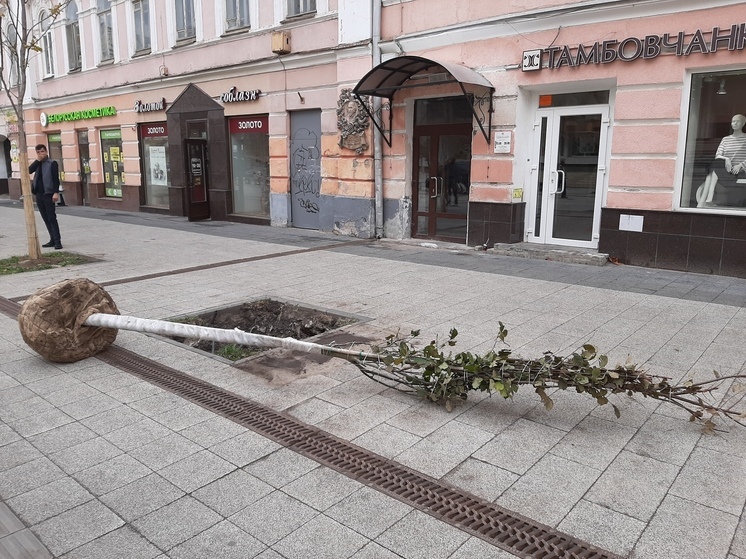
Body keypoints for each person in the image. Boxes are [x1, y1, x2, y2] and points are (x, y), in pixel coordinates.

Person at [697, 113, 746, 207]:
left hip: (740, 171)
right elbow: (718, 155)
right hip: (726, 171)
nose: (734, 123)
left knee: (712, 170)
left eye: (737, 121)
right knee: (716, 163)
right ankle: (708, 199)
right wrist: (726, 159)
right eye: (733, 121)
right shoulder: (725, 139)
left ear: (743, 123)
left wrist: (740, 165)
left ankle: (704, 200)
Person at [28, 144, 63, 249]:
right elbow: (28, 170)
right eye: (38, 152)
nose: (40, 154)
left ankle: (58, 242)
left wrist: (56, 192)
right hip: (39, 194)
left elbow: (55, 179)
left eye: (42, 151)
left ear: (46, 152)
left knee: (52, 218)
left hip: (49, 194)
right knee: (45, 218)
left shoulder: (52, 163)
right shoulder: (37, 164)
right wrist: (37, 160)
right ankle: (52, 239)